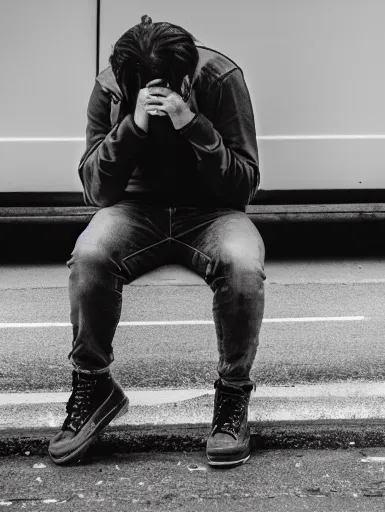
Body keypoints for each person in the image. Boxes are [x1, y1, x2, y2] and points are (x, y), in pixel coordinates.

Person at [48, 15, 265, 468]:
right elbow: (96, 192)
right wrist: (133, 125)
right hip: (133, 211)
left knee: (243, 265)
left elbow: (244, 187)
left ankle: (231, 399)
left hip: (212, 213)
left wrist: (193, 125)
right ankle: (94, 385)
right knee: (88, 256)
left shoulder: (221, 79)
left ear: (185, 78)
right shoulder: (112, 86)